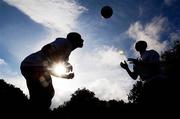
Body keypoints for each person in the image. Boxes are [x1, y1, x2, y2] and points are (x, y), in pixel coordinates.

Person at [20, 32, 84, 112]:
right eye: (80, 38)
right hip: (33, 65)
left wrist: (65, 76)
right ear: (74, 39)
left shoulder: (66, 54)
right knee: (47, 93)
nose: (82, 40)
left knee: (38, 97)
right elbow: (46, 49)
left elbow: (49, 70)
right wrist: (55, 63)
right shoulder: (64, 42)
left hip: (28, 66)